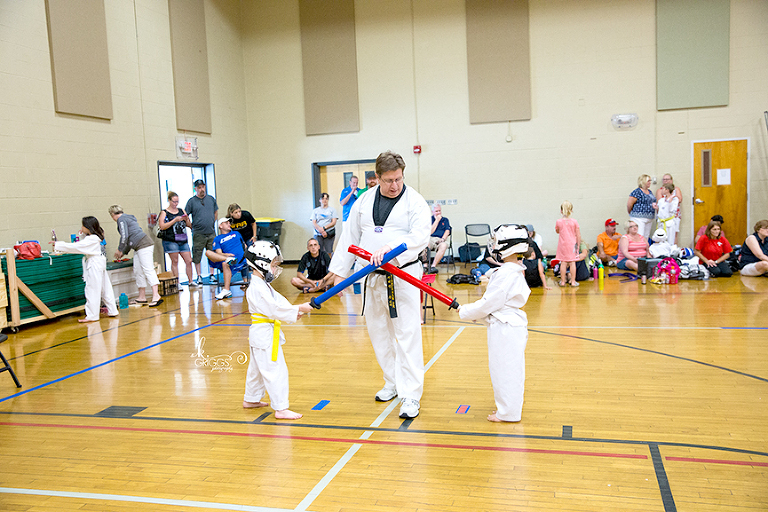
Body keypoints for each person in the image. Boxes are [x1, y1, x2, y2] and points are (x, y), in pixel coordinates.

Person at [328, 151, 431, 419]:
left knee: (407, 334)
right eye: (388, 180)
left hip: (403, 276)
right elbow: (350, 234)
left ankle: (411, 394)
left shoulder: (415, 203)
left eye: (398, 179)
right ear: (377, 178)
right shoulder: (364, 200)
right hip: (371, 276)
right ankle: (393, 382)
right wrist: (339, 271)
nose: (394, 185)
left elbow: (420, 236)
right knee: (379, 333)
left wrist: (391, 248)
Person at [458, 225, 531, 423]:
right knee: (509, 369)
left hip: (505, 329)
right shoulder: (511, 270)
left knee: (504, 370)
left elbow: (489, 304)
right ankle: (508, 409)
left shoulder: (506, 274)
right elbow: (495, 304)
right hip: (509, 325)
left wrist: (465, 311)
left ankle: (507, 413)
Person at [242, 241, 313, 420]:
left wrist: (295, 310)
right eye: (273, 264)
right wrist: (297, 310)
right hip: (264, 334)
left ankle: (251, 399)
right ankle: (281, 408)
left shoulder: (262, 285)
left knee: (257, 369)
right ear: (262, 263)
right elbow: (274, 309)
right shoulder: (257, 287)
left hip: (261, 333)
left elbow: (278, 302)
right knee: (275, 370)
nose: (275, 268)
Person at [52, 216, 118, 323]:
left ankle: (92, 315)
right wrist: (82, 233)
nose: (81, 227)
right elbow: (83, 244)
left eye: (83, 226)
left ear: (88, 227)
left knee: (92, 289)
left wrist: (59, 245)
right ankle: (112, 310)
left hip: (94, 264)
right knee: (105, 288)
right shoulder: (95, 237)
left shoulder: (91, 239)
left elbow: (76, 247)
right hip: (99, 262)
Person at [108, 205, 163, 307]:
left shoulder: (121, 219)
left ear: (112, 215)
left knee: (148, 269)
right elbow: (129, 238)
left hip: (144, 245)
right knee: (138, 270)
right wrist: (123, 252)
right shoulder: (129, 217)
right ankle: (141, 297)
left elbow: (124, 236)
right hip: (138, 246)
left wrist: (120, 249)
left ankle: (156, 295)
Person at [185, 179, 219, 284]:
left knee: (212, 253)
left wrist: (213, 222)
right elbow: (185, 216)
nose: (201, 189)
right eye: (199, 187)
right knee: (197, 254)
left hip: (211, 232)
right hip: (198, 233)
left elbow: (216, 211)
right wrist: (191, 226)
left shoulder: (211, 199)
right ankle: (199, 275)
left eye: (203, 187)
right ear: (195, 189)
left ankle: (212, 274)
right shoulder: (191, 201)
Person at [157, 191, 195, 286]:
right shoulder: (164, 212)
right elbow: (162, 226)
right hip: (171, 240)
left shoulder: (181, 210)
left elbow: (189, 225)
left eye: (177, 201)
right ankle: (177, 282)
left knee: (189, 260)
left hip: (183, 239)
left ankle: (190, 281)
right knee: (175, 261)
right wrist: (175, 220)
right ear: (169, 201)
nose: (175, 204)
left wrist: (186, 220)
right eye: (174, 202)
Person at [207, 218, 249, 300]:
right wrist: (226, 255)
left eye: (229, 223)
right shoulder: (218, 238)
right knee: (208, 252)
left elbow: (245, 246)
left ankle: (226, 290)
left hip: (239, 259)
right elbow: (218, 253)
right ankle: (228, 259)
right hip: (226, 258)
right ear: (220, 226)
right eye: (226, 223)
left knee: (225, 263)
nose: (229, 224)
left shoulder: (236, 233)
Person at [555, 200, 581, 287]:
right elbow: (578, 235)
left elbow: (557, 231)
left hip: (563, 244)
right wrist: (578, 245)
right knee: (572, 262)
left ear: (561, 210)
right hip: (572, 244)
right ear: (571, 210)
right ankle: (573, 282)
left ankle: (562, 282)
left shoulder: (558, 221)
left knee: (563, 262)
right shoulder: (574, 221)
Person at [627, 174, 657, 239]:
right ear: (644, 181)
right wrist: (632, 213)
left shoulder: (650, 192)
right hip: (639, 218)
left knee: (646, 237)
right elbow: (629, 204)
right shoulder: (637, 192)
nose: (650, 182)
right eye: (648, 181)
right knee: (640, 235)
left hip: (649, 218)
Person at [655, 174, 683, 244]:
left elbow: (679, 200)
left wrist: (670, 200)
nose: (666, 181)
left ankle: (673, 250)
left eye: (667, 179)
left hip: (672, 217)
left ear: (671, 180)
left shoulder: (675, 196)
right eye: (664, 179)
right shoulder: (660, 193)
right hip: (663, 217)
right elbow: (659, 203)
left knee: (673, 235)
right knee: (661, 235)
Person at [426, 204, 451, 274]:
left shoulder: (445, 220)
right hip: (430, 239)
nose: (438, 213)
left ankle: (433, 266)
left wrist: (443, 239)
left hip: (441, 239)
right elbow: (430, 232)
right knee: (425, 244)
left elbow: (447, 231)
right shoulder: (429, 219)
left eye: (439, 211)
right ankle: (425, 266)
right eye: (436, 211)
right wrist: (437, 221)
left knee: (443, 245)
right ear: (432, 211)